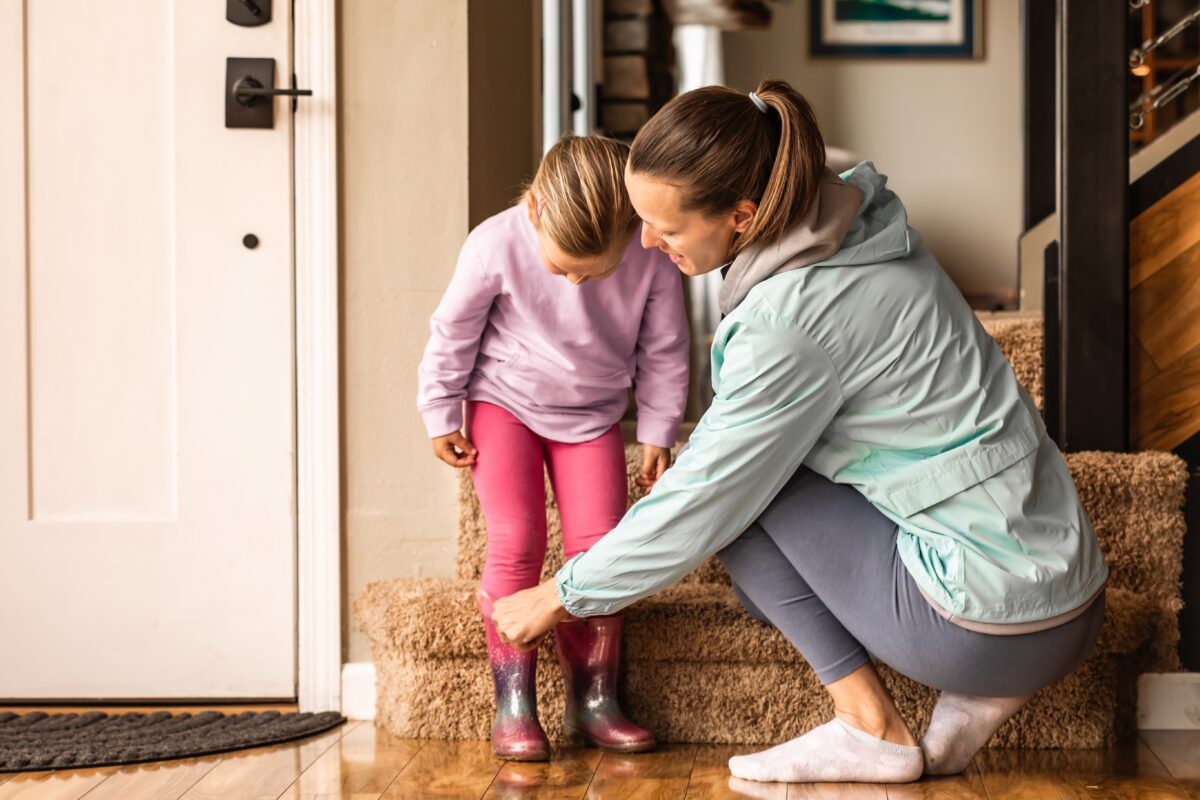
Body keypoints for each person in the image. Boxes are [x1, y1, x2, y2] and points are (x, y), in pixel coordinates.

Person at [490, 81, 1108, 784]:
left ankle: (871, 727)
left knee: (738, 494)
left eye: (668, 227)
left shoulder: (789, 322)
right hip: (1072, 598)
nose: (646, 242)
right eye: (640, 219)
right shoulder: (864, 228)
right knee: (755, 476)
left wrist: (559, 594)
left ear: (744, 216)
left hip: (985, 625)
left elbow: (705, 496)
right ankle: (982, 694)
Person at [417, 135, 690, 761]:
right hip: (502, 404)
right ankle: (513, 705)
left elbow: (666, 346)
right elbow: (453, 333)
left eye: (593, 274)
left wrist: (658, 428)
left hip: (593, 415)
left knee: (601, 550)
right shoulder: (495, 242)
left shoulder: (650, 255)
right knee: (517, 543)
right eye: (562, 267)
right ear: (536, 210)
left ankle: (594, 702)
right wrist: (440, 411)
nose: (574, 284)